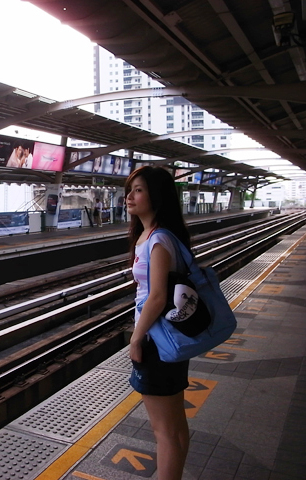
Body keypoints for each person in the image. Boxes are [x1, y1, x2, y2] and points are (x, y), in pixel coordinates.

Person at [126, 165, 191, 480]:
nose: (130, 196)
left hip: (157, 340)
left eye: (138, 190)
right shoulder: (150, 236)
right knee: (174, 426)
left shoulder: (158, 239)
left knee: (164, 430)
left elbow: (157, 296)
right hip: (165, 338)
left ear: (157, 196)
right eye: (130, 189)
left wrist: (136, 338)